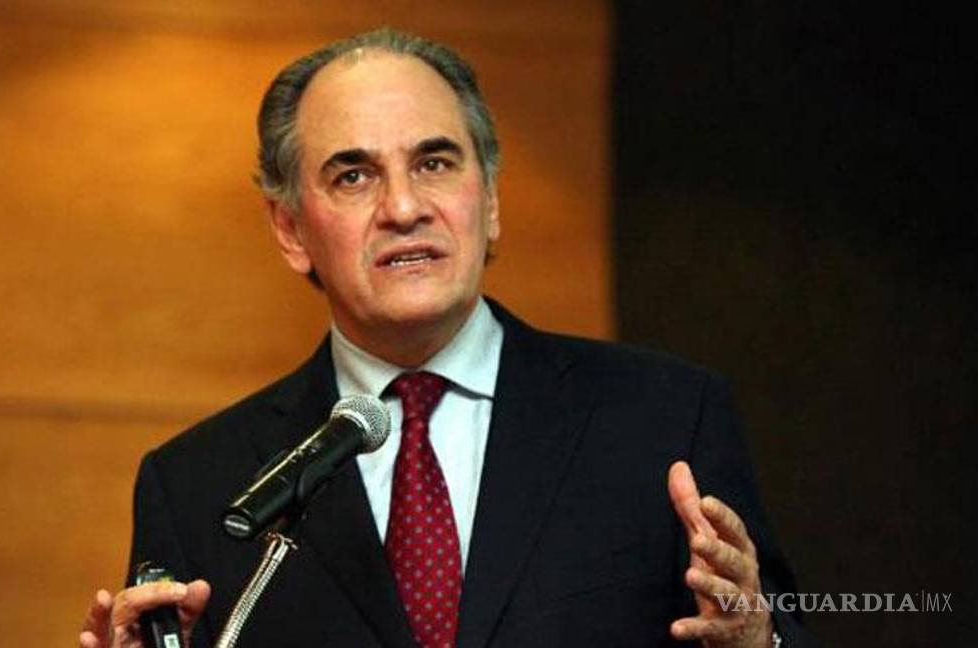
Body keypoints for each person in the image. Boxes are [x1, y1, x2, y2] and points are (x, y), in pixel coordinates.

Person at [79, 28, 817, 648]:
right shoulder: (198, 486)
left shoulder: (666, 417)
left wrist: (759, 643)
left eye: (434, 163)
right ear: (291, 228)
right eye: (353, 176)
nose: (404, 207)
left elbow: (771, 628)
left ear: (489, 199)